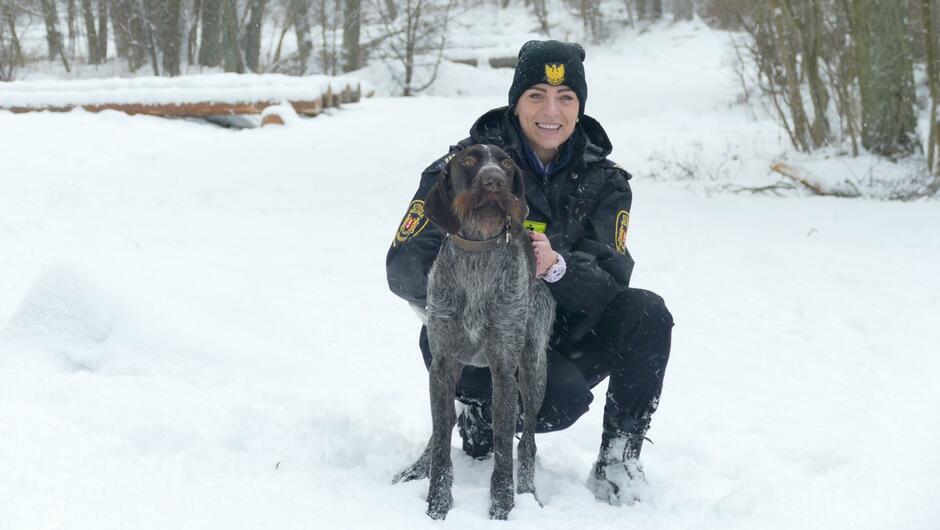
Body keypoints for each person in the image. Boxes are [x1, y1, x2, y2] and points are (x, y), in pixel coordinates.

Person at [385, 40, 673, 505]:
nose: (551, 111)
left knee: (647, 313)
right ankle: (475, 411)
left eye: (566, 98)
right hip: (472, 335)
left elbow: (612, 276)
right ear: (515, 101)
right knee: (536, 393)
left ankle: (620, 457)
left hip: (562, 329)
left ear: (580, 108)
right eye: (536, 94)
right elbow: (403, 264)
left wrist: (556, 267)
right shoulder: (464, 166)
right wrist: (475, 274)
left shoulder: (606, 180)